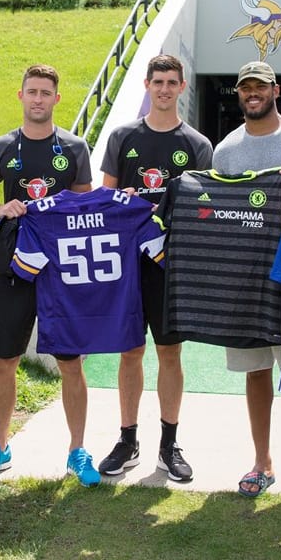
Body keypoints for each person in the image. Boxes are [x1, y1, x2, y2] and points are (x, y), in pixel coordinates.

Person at [0, 64, 98, 485]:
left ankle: (77, 451)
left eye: (46, 92)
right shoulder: (3, 146)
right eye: (31, 92)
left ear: (57, 99)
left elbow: (85, 206)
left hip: (62, 273)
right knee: (5, 360)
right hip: (13, 268)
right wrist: (1, 208)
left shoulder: (74, 148)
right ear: (20, 96)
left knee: (71, 363)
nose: (38, 99)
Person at [209, 61, 281, 502]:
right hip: (245, 281)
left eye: (260, 87)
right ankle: (263, 462)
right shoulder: (226, 151)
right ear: (238, 94)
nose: (253, 94)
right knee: (254, 372)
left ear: (276, 89)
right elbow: (217, 214)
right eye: (246, 88)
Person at [95, 54, 212, 482]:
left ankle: (169, 444)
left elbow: (204, 211)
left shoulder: (197, 145)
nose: (164, 89)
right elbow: (102, 202)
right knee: (130, 352)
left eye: (171, 82)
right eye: (157, 81)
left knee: (170, 353)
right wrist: (121, 199)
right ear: (146, 85)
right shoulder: (123, 136)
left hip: (170, 267)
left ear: (182, 87)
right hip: (127, 266)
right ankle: (128, 440)